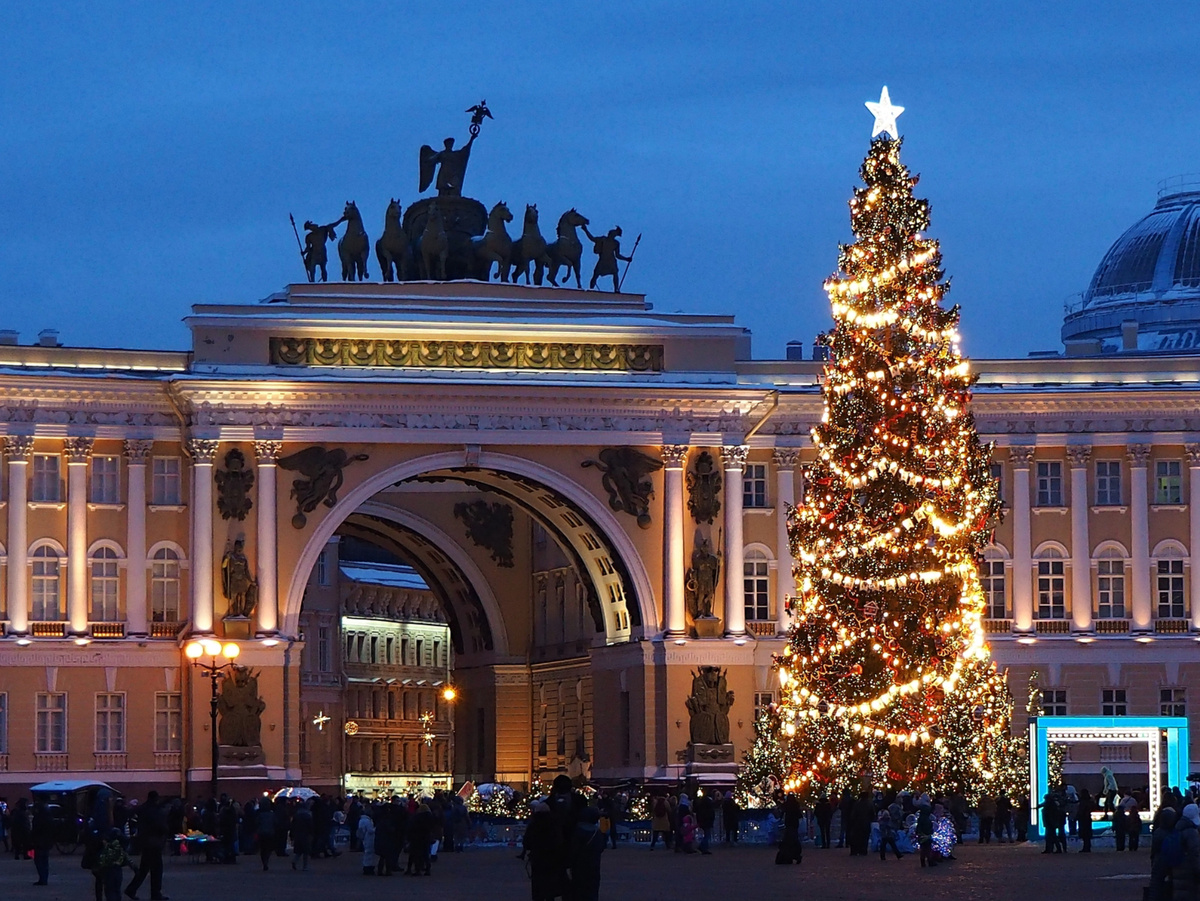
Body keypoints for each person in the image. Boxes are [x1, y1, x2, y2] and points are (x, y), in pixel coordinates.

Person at [124, 791, 168, 900]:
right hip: (154, 843)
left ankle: (131, 889)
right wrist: (165, 831)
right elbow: (159, 825)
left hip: (144, 842)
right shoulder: (155, 810)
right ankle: (155, 893)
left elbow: (131, 815)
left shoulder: (142, 808)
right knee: (156, 869)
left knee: (144, 869)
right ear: (156, 798)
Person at [567, 807, 606, 901]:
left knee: (578, 891)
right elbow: (601, 847)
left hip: (579, 866)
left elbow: (573, 850)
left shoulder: (577, 831)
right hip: (594, 866)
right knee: (592, 892)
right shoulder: (597, 832)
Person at [582, 225, 632, 292]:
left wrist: (626, 259)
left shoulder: (616, 243)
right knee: (595, 274)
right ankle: (591, 289)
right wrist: (586, 230)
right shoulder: (602, 239)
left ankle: (616, 289)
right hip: (602, 260)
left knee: (615, 273)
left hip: (611, 261)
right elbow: (592, 238)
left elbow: (617, 255)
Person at [97, 828, 136, 901]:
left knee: (109, 891)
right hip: (118, 870)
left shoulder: (107, 848)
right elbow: (127, 859)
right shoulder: (120, 848)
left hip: (108, 871)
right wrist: (134, 867)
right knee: (117, 890)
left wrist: (99, 869)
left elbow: (101, 860)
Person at [30, 800, 53, 885]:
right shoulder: (48, 816)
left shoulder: (38, 818)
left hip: (39, 841)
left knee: (39, 860)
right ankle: (44, 878)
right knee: (44, 860)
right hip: (46, 840)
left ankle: (42, 878)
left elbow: (36, 830)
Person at [290, 800, 313, 870]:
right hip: (306, 834)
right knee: (305, 851)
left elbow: (292, 826)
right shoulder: (308, 816)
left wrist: (292, 835)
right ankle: (305, 866)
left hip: (297, 834)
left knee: (299, 851)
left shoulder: (296, 815)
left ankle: (295, 860)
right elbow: (311, 826)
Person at [916, 797, 936, 868]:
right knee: (927, 849)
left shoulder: (921, 818)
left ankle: (923, 861)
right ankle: (929, 861)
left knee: (924, 849)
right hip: (926, 835)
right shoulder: (926, 819)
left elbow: (918, 827)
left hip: (922, 835)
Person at [356, 807, 376, 876]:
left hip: (364, 838)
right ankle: (368, 866)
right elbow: (370, 830)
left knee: (366, 852)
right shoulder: (368, 821)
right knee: (369, 853)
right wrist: (376, 829)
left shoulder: (361, 820)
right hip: (369, 838)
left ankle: (366, 866)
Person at [1077, 789, 1094, 853]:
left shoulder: (1083, 802)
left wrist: (1078, 816)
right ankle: (1087, 847)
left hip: (1083, 819)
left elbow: (1081, 810)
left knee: (1085, 834)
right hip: (1087, 819)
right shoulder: (1089, 801)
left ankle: (1086, 847)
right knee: (1087, 834)